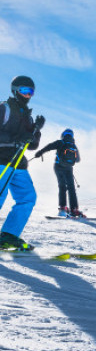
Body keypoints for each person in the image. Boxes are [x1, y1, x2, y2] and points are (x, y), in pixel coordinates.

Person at [0, 76, 45, 250]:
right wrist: (15, 139)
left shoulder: (28, 116)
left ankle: (9, 236)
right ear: (15, 90)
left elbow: (32, 145)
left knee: (28, 198)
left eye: (31, 92)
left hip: (18, 164)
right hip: (2, 160)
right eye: (25, 91)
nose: (28, 95)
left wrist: (37, 131)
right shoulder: (4, 108)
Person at [35, 128, 85, 218]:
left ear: (63, 135)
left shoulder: (60, 142)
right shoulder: (74, 146)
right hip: (69, 169)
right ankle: (74, 210)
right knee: (71, 188)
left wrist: (40, 153)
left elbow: (49, 147)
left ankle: (62, 209)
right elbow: (78, 160)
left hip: (58, 167)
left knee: (62, 187)